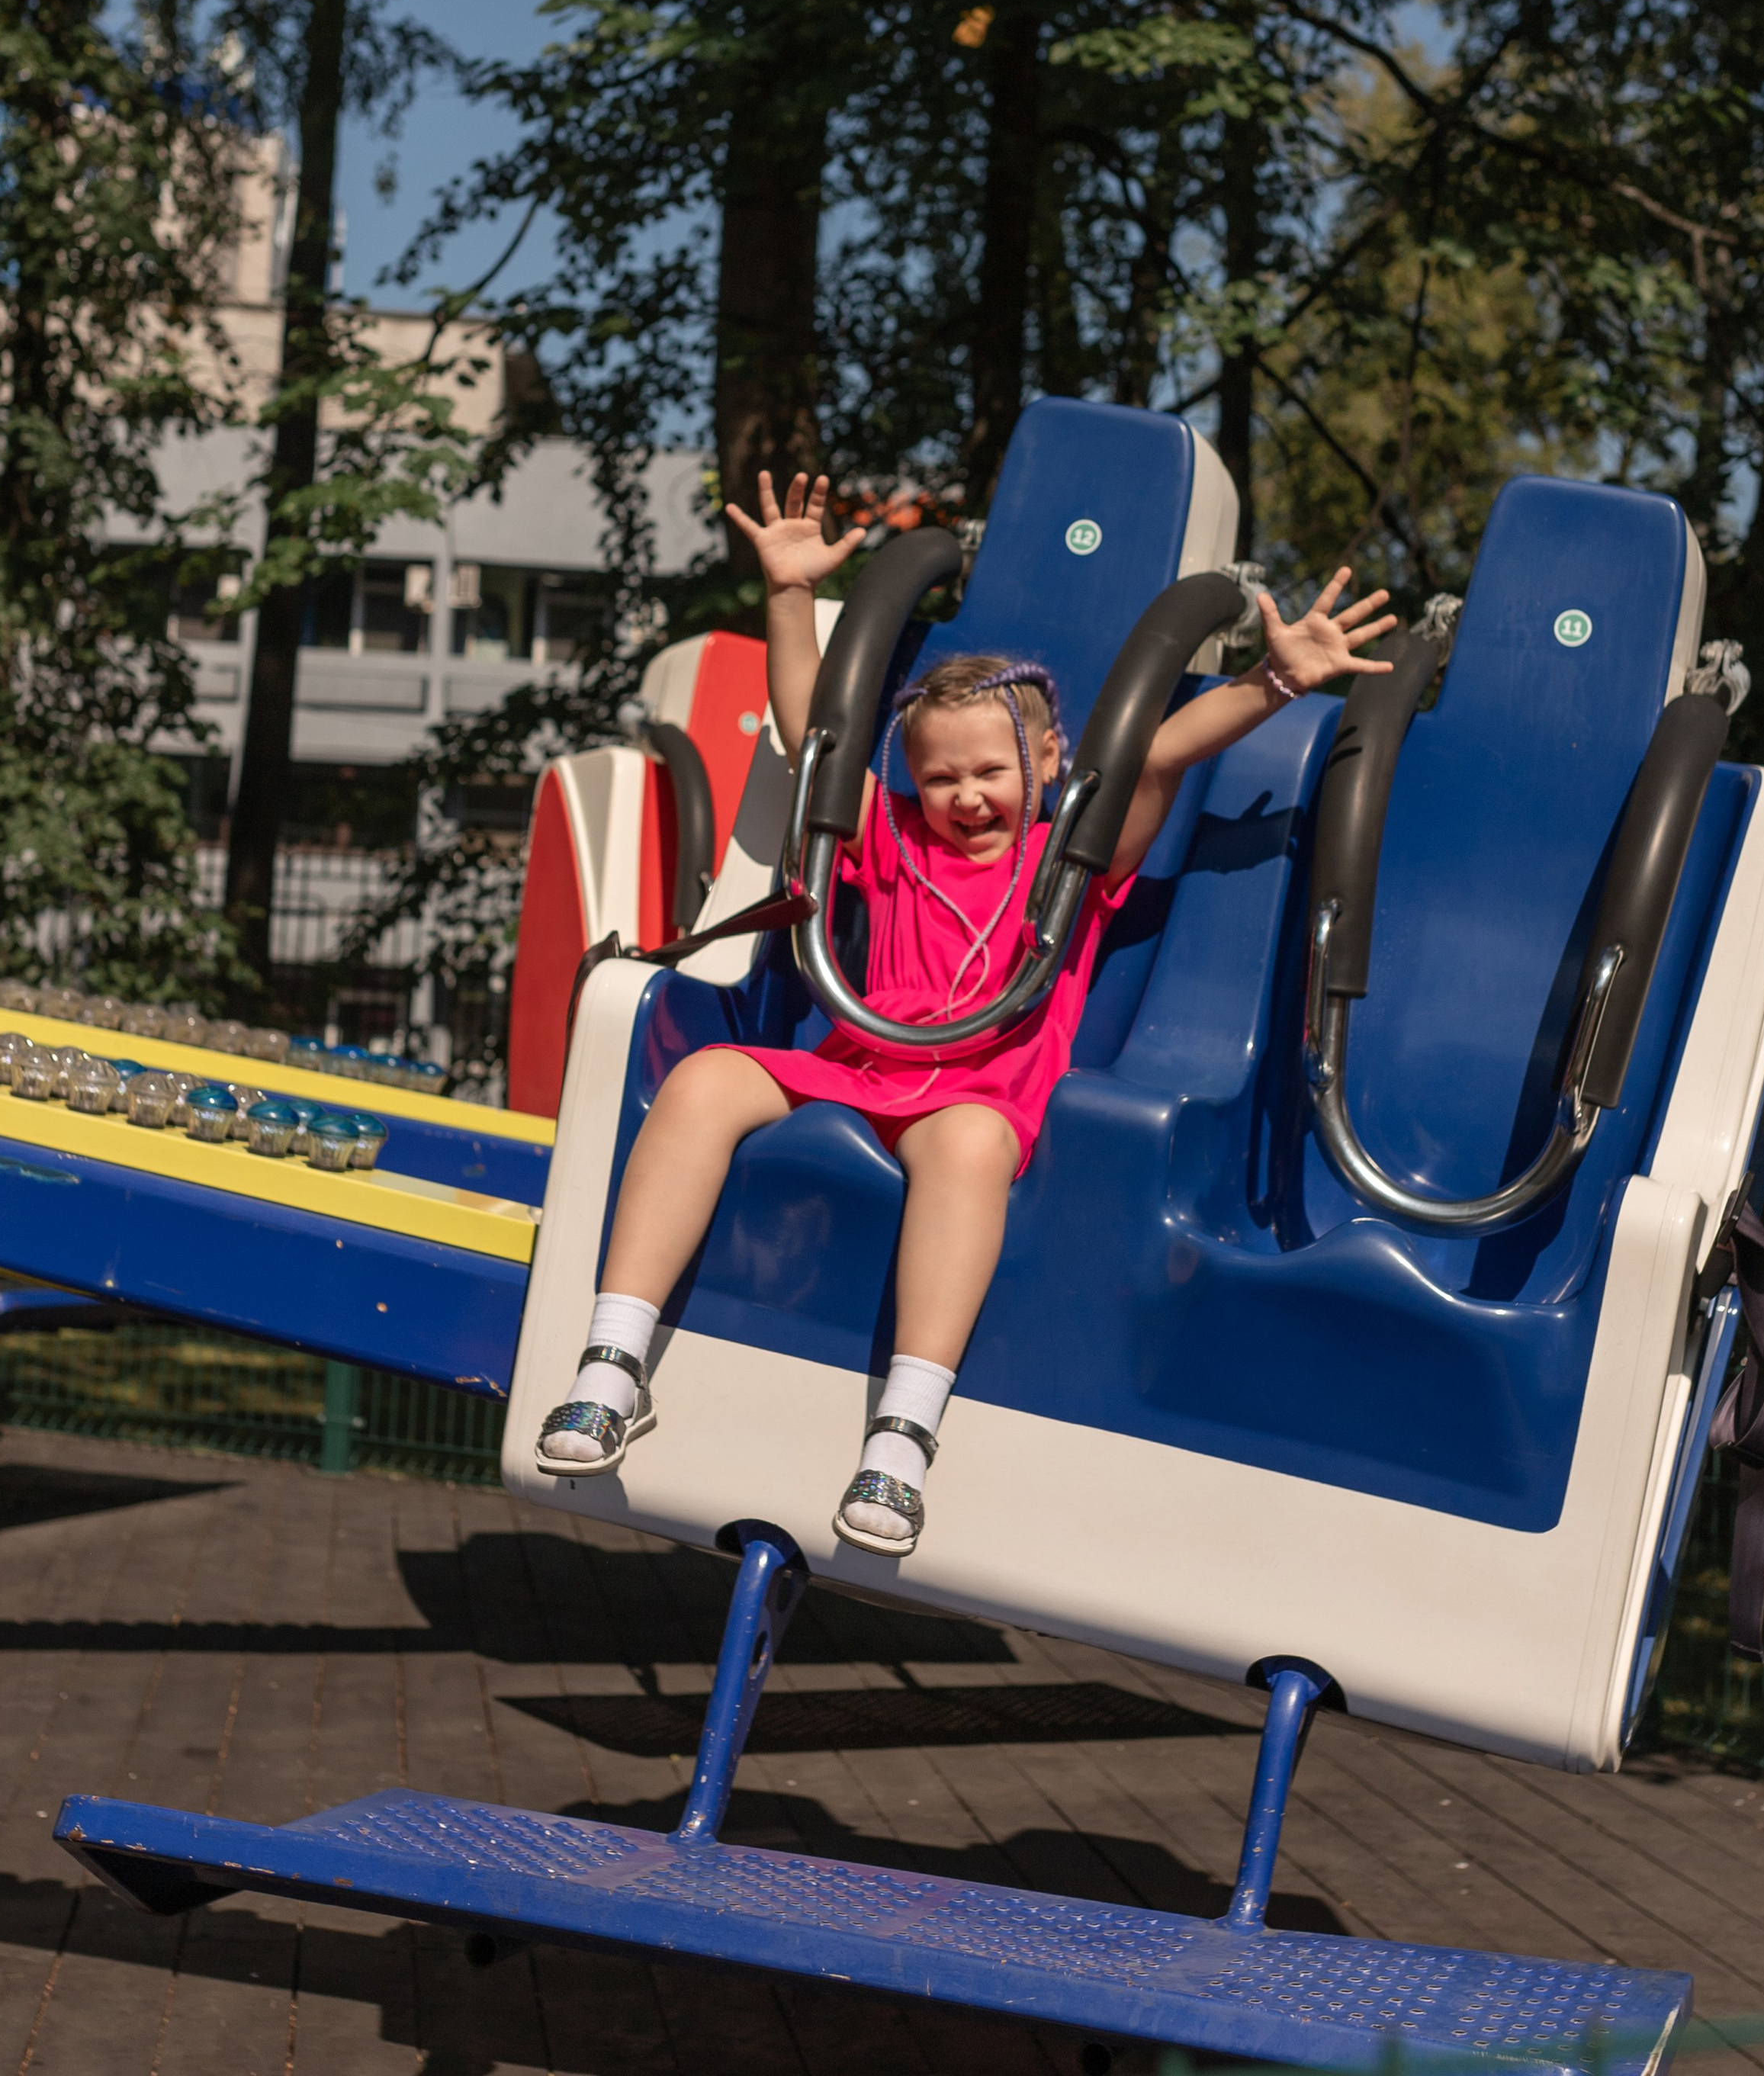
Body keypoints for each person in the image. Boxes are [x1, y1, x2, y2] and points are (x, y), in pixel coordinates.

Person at [538, 469, 1396, 1553]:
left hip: (978, 1090)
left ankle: (902, 1439)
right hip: (863, 1061)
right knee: (707, 1077)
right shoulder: (898, 838)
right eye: (940, 777)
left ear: (1050, 761)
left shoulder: (1066, 859)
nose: (967, 797)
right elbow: (814, 740)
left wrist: (1274, 682)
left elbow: (1157, 755)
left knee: (970, 1150)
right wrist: (791, 596)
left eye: (990, 771)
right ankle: (611, 1366)